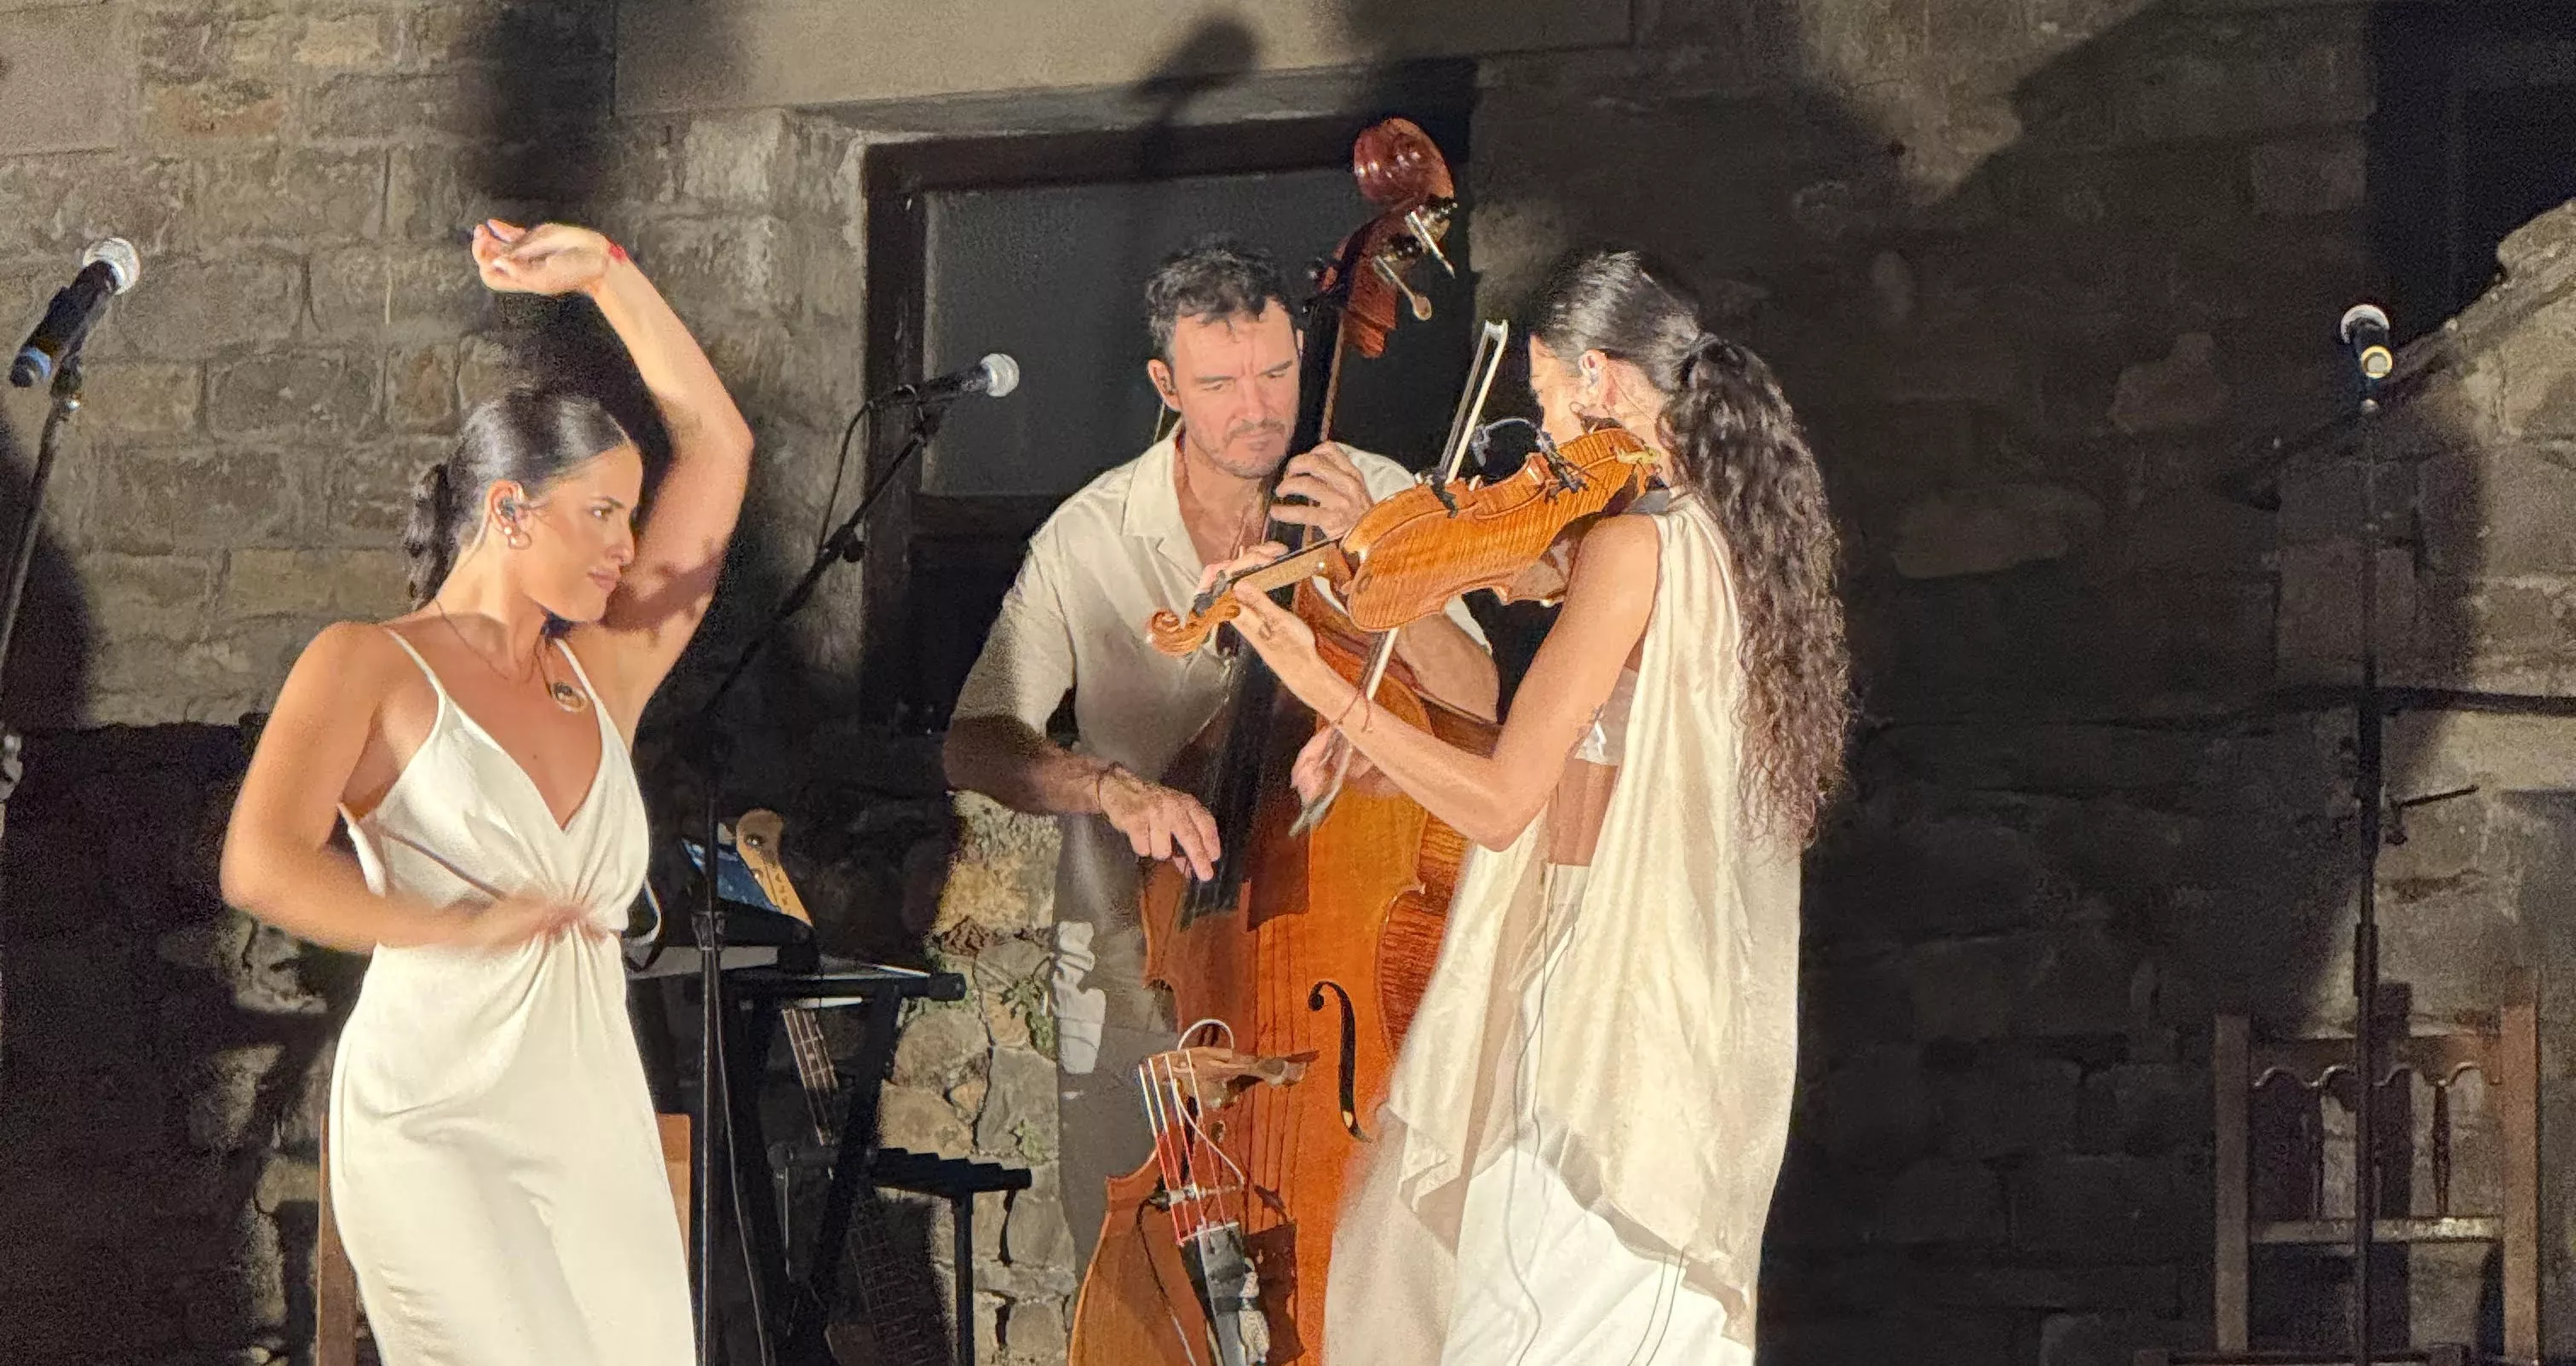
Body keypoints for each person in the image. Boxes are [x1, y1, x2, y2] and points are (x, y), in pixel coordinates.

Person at [1205, 248, 1851, 1364]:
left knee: (1526, 1317)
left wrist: (1321, 681)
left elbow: (1508, 801)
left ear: (1601, 378)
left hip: (1599, 1002)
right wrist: (1405, 577)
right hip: (1664, 989)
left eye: (1546, 403)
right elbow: (1569, 727)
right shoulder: (1723, 537)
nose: (1542, 444)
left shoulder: (1633, 545)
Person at [220, 220, 753, 1366]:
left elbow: (720, 444)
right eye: (599, 512)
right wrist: (451, 924)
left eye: (629, 513)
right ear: (510, 510)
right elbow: (259, 861)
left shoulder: (606, 668)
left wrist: (608, 272)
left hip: (590, 1112)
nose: (624, 546)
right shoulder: (368, 661)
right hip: (434, 1113)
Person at [940, 236, 1498, 1260]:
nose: (1259, 406)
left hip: (1333, 967)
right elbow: (975, 742)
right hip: (1136, 969)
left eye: (1278, 371)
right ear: (1166, 385)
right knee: (1141, 1285)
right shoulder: (1090, 534)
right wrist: (1107, 787)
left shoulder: (1375, 494)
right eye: (1220, 382)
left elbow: (1479, 700)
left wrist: (1380, 566)